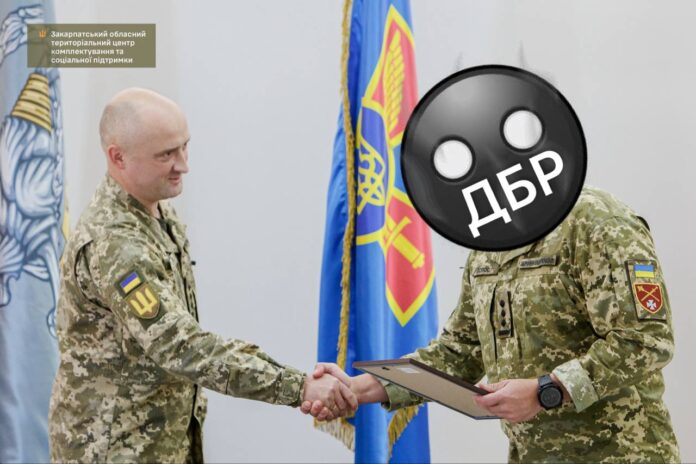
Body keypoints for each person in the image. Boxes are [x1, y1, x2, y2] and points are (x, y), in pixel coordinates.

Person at [48, 88, 355, 463]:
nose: (183, 165)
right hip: (116, 449)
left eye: (184, 147)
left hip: (160, 441)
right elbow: (182, 346)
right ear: (118, 157)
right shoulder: (117, 246)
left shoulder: (153, 209)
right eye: (166, 155)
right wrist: (299, 387)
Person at [305, 186, 680, 462]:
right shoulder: (490, 240)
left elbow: (646, 340)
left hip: (622, 454)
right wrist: (360, 388)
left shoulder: (598, 222)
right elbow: (458, 352)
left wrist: (546, 391)